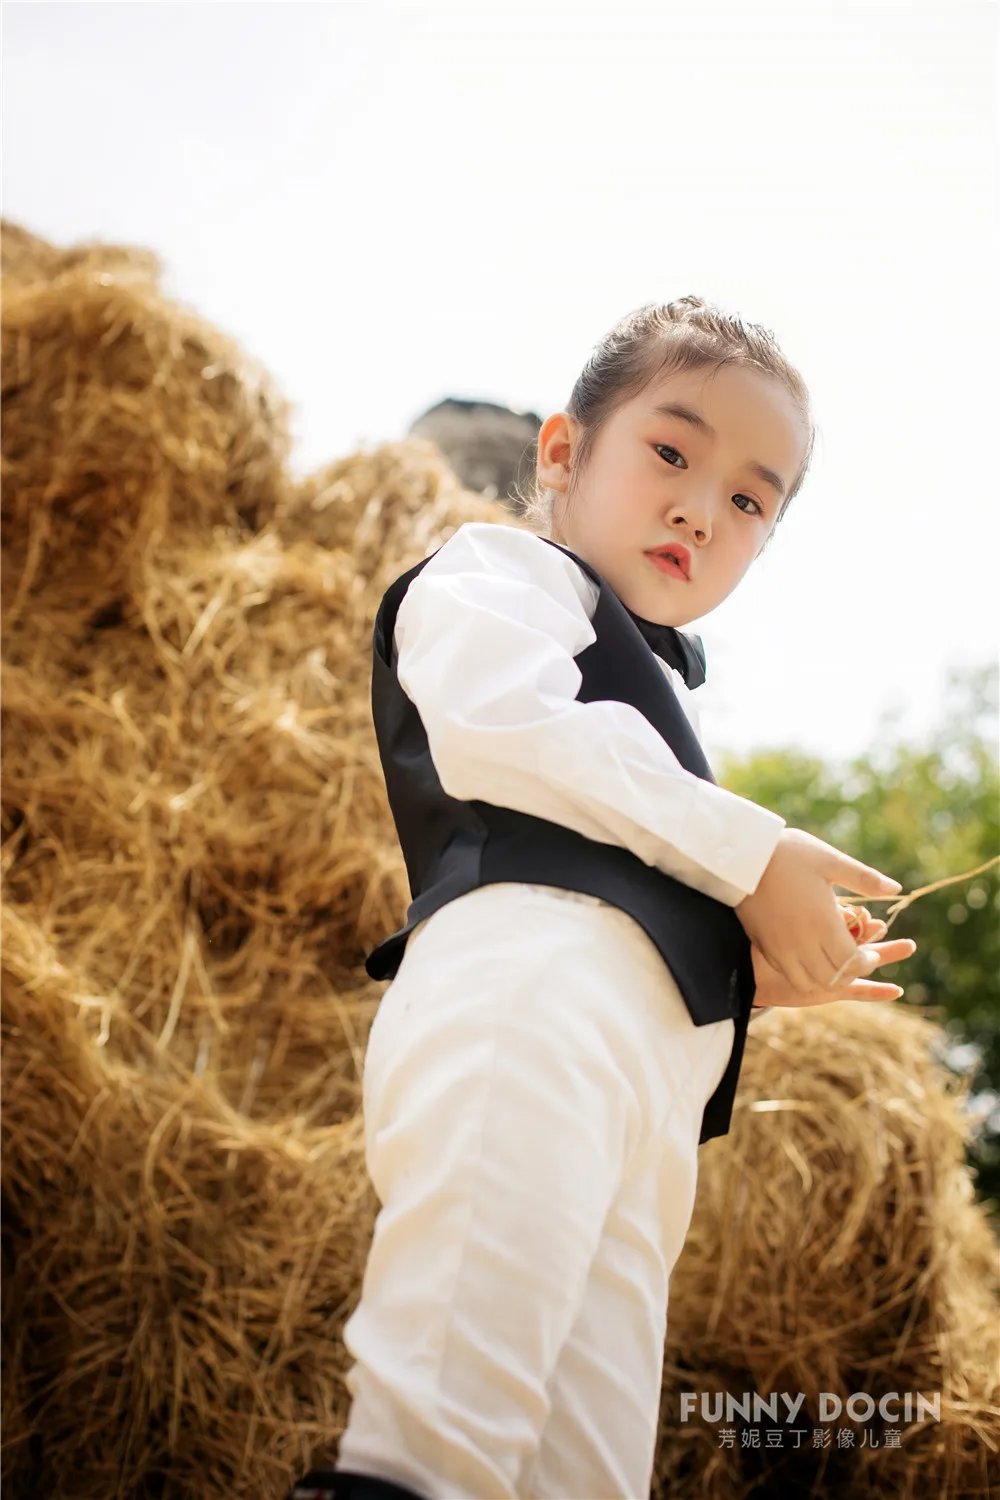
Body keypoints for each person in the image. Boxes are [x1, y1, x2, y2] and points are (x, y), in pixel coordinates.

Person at [288, 296, 917, 1500]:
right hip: (526, 1011)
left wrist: (748, 974)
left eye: (748, 501)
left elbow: (633, 866)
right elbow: (499, 728)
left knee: (583, 1473)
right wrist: (752, 856)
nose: (700, 507)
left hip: (642, 1100)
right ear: (565, 452)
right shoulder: (500, 573)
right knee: (443, 1438)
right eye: (671, 453)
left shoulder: (662, 729)